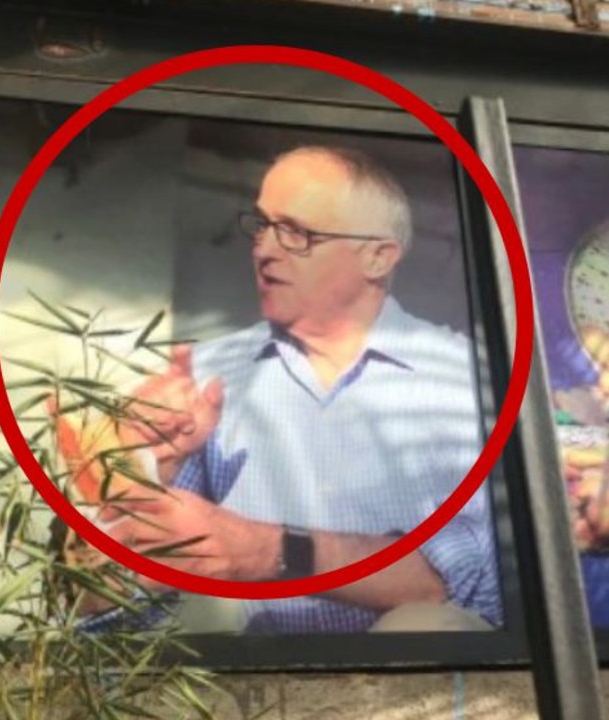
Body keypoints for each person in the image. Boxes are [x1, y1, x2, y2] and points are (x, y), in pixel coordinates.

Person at [54, 145, 500, 633]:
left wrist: (270, 552)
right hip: (248, 688)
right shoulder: (204, 375)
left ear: (377, 256)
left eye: (295, 233)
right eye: (262, 225)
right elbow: (110, 613)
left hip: (412, 692)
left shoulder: (467, 380)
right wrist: (145, 473)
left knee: (425, 628)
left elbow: (479, 578)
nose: (264, 249)